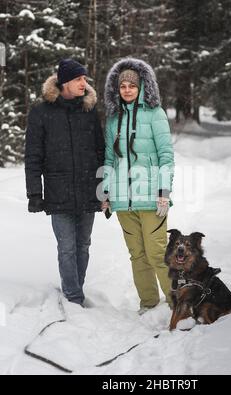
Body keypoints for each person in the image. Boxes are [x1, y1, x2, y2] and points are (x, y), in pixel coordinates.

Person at [25, 59, 105, 306]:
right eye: (79, 79)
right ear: (65, 82)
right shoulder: (41, 112)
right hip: (58, 191)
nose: (84, 83)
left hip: (88, 189)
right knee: (67, 248)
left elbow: (101, 152)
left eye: (85, 79)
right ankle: (74, 297)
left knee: (83, 245)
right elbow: (33, 156)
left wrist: (105, 190)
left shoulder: (89, 111)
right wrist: (34, 193)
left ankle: (75, 290)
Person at [102, 58, 175, 314]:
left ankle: (177, 303)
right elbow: (109, 159)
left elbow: (166, 155)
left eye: (132, 85)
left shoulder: (156, 114)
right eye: (123, 86)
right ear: (117, 89)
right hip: (123, 200)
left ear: (142, 87)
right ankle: (148, 302)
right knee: (137, 255)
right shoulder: (113, 120)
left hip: (152, 199)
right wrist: (106, 192)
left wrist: (164, 192)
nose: (128, 90)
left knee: (157, 254)